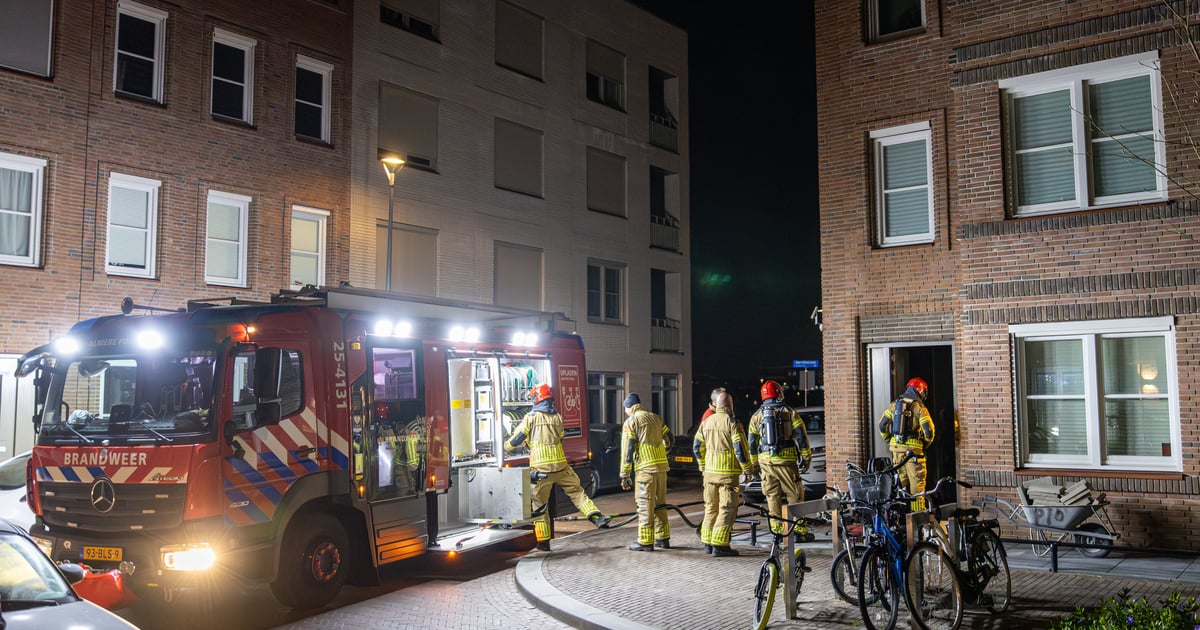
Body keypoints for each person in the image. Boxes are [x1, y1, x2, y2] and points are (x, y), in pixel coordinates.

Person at [505, 383, 611, 551]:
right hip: (561, 466)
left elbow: (516, 439)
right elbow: (560, 438)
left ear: (537, 399)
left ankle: (544, 542)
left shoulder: (531, 417)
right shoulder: (558, 417)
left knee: (540, 505)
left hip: (541, 470)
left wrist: (506, 448)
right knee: (577, 493)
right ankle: (596, 517)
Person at [748, 380, 814, 542]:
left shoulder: (756, 416)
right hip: (786, 462)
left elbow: (751, 442)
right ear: (779, 393)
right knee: (795, 495)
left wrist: (754, 465)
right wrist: (806, 457)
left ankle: (777, 531)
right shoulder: (790, 412)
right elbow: (801, 436)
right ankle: (798, 531)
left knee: (772, 497)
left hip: (765, 463)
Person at [693, 390, 754, 557]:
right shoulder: (732, 422)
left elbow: (697, 447)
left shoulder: (707, 422)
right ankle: (720, 545)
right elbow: (740, 449)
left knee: (711, 507)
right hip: (728, 474)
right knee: (727, 508)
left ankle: (707, 542)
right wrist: (748, 469)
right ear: (730, 405)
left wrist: (703, 465)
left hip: (709, 474)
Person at [620, 393, 673, 551]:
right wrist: (663, 452)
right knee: (660, 504)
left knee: (645, 505)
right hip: (662, 468)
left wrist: (625, 474)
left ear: (629, 407)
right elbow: (670, 438)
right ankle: (662, 538)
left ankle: (645, 541)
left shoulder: (631, 421)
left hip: (645, 469)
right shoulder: (655, 418)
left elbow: (627, 449)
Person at [878, 377, 935, 511]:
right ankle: (917, 519)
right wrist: (923, 445)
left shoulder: (894, 405)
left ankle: (902, 517)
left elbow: (882, 425)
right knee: (917, 488)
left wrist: (889, 440)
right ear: (921, 391)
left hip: (897, 452)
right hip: (913, 454)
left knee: (900, 485)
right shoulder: (920, 408)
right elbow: (929, 431)